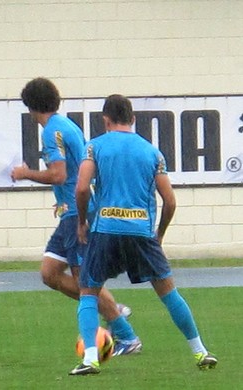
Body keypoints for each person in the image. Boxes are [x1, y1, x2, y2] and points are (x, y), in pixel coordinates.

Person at [70, 94, 217, 375]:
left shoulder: (95, 147)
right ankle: (200, 351)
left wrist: (81, 222)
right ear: (133, 119)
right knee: (169, 293)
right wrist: (158, 235)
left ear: (105, 120)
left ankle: (90, 358)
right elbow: (170, 200)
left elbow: (80, 188)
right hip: (141, 232)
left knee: (88, 291)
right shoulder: (152, 152)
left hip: (106, 230)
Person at [11, 78, 141, 356]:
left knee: (86, 282)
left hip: (77, 213)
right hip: (69, 212)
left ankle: (126, 336)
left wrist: (25, 174)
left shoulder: (52, 132)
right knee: (50, 273)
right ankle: (111, 308)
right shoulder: (65, 125)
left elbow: (60, 174)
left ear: (31, 108)